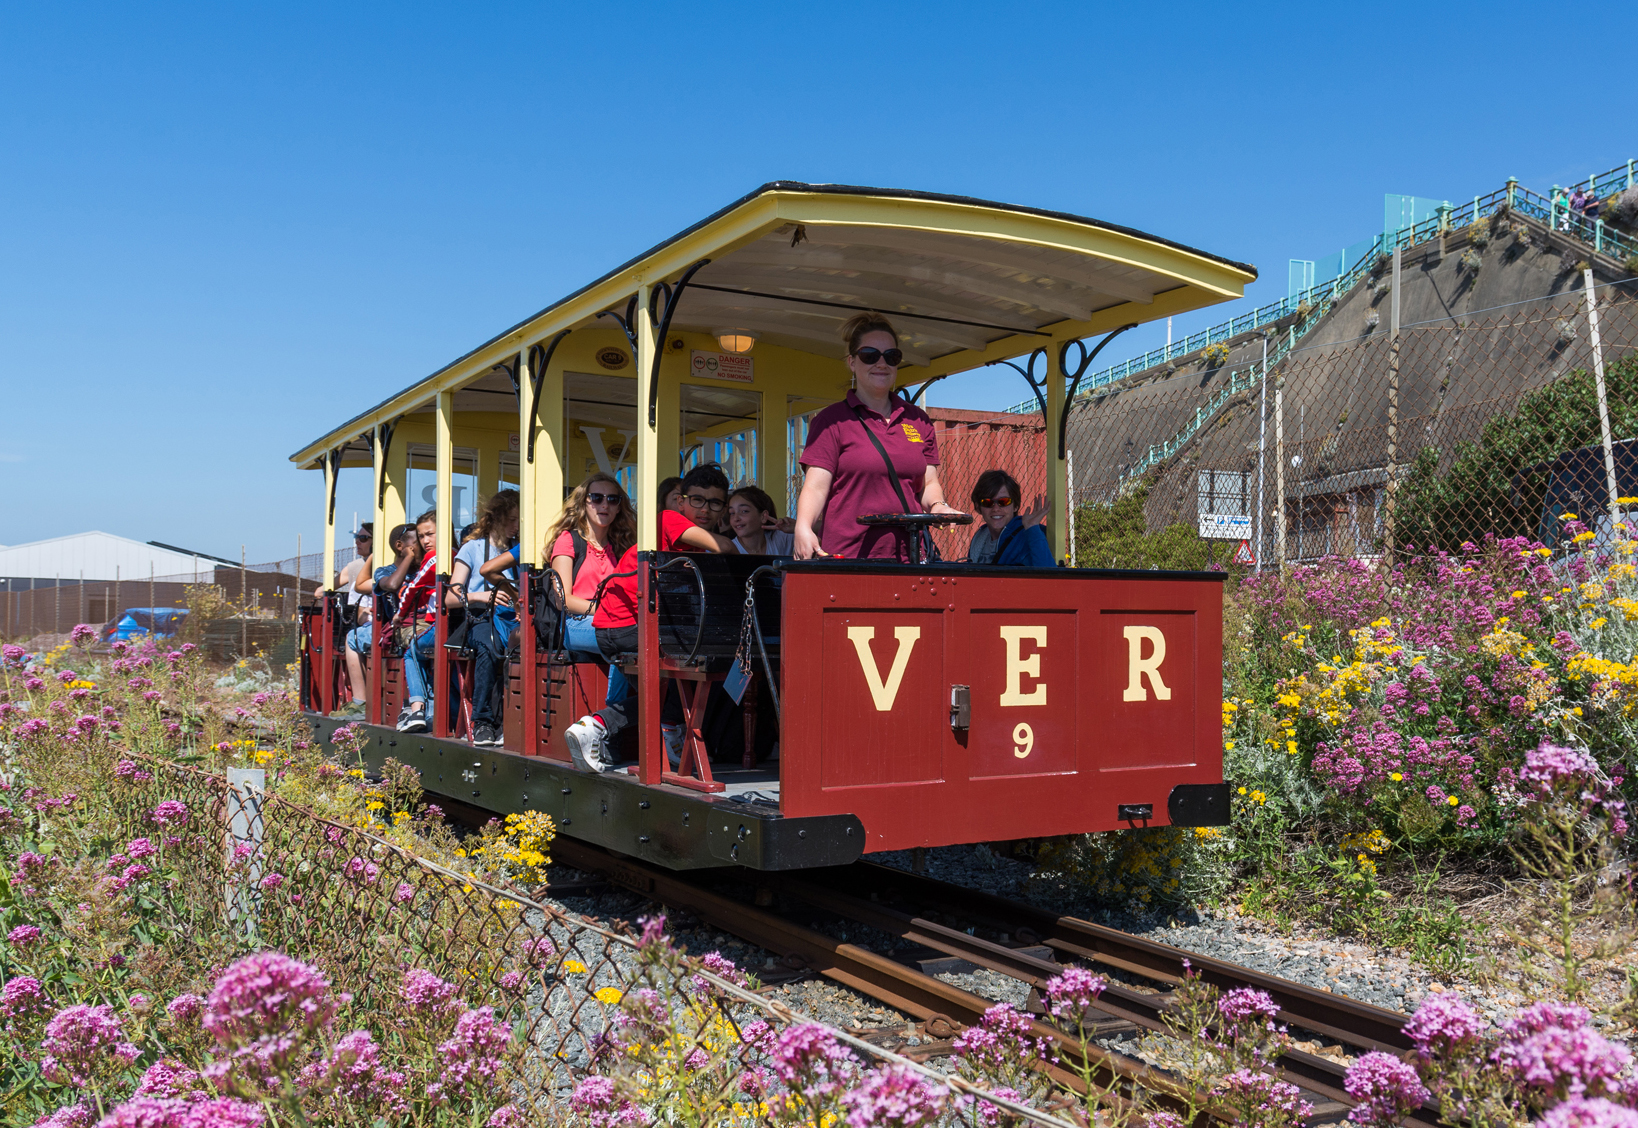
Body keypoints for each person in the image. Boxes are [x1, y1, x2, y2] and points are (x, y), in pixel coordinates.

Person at [563, 463, 733, 772]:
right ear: (680, 501)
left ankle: (594, 727)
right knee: (692, 669)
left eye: (715, 503)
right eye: (697, 500)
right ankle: (674, 732)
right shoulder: (669, 519)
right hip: (625, 626)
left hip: (622, 626)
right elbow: (725, 546)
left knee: (656, 695)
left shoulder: (689, 542)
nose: (705, 510)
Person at [794, 312, 961, 560]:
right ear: (852, 362)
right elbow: (817, 486)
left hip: (909, 556)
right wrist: (803, 527)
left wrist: (938, 506)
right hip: (849, 558)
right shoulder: (831, 420)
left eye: (891, 356)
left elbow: (928, 483)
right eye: (869, 356)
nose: (881, 364)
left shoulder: (918, 420)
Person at [449, 490, 520, 747]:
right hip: (480, 619)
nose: (516, 526)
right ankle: (483, 722)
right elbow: (450, 597)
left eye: (519, 521)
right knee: (490, 645)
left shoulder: (520, 551)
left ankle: (514, 720)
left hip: (513, 618)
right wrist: (483, 596)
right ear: (497, 517)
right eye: (512, 519)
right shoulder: (473, 548)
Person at [343, 523, 412, 706]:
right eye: (357, 537)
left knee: (352, 638)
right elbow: (361, 589)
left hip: (403, 628)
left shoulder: (391, 570)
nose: (358, 541)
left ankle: (360, 701)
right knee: (355, 636)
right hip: (394, 627)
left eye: (364, 538)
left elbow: (363, 584)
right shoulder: (383, 572)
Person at [389, 511, 440, 733]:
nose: (425, 541)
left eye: (430, 534)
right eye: (421, 536)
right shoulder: (457, 553)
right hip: (449, 623)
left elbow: (413, 589)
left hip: (441, 624)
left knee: (412, 651)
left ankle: (417, 708)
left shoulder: (435, 558)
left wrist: (400, 615)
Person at [965, 470, 1054, 567]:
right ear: (978, 507)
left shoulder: (1026, 536)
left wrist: (1033, 528)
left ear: (1015, 506)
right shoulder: (980, 537)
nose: (996, 509)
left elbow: (1048, 575)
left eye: (1003, 502)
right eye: (988, 502)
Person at [727, 486, 795, 555]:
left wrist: (796, 528)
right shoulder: (729, 549)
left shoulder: (780, 539)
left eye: (744, 511)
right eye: (732, 513)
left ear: (763, 517)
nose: (736, 518)